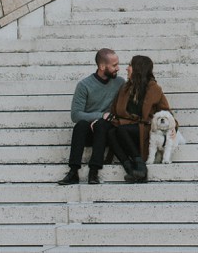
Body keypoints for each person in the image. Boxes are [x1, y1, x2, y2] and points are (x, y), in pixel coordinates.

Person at [57, 48, 124, 185]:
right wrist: (100, 116)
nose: (118, 68)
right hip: (89, 132)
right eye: (114, 65)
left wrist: (102, 119)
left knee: (101, 125)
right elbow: (75, 115)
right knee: (81, 125)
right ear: (102, 66)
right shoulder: (84, 85)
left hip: (106, 132)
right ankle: (73, 171)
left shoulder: (120, 83)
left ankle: (93, 171)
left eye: (118, 64)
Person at [107, 55, 171, 183]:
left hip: (144, 129)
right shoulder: (125, 88)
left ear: (137, 69)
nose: (127, 68)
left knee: (120, 130)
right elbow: (114, 110)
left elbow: (166, 112)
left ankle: (141, 166)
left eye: (130, 65)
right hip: (126, 128)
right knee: (111, 132)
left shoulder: (154, 89)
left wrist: (174, 127)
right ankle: (131, 169)